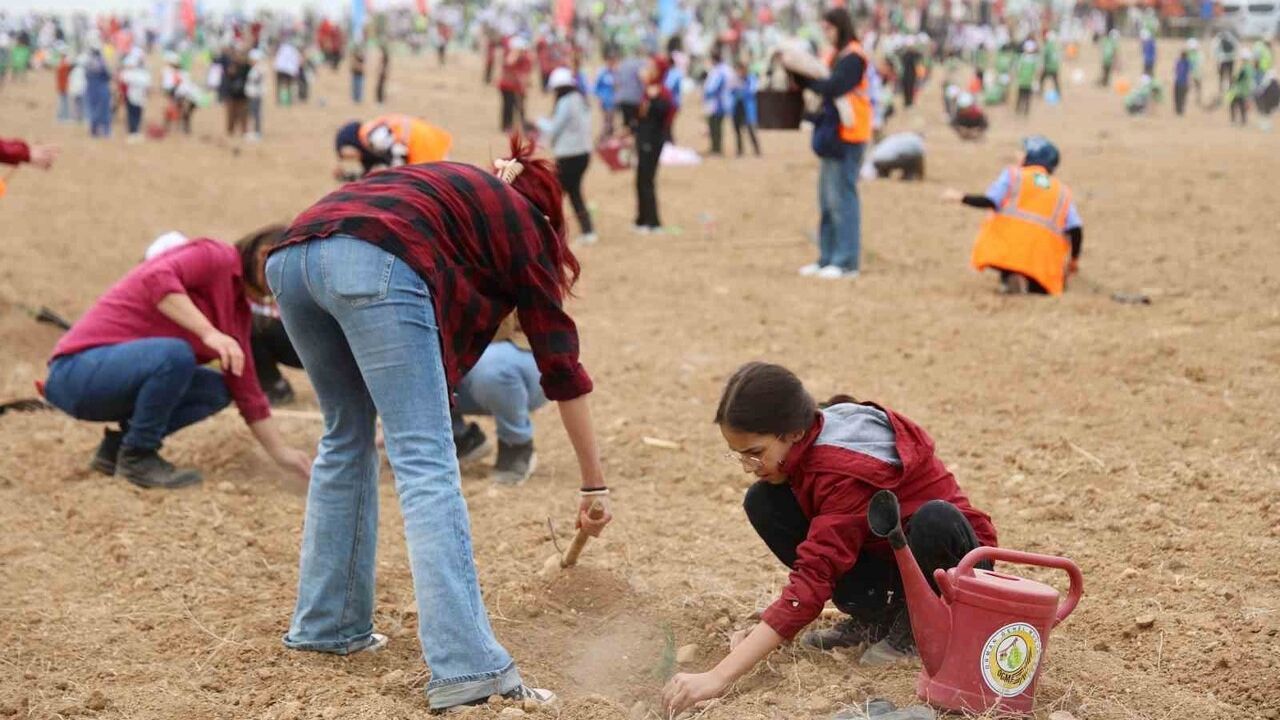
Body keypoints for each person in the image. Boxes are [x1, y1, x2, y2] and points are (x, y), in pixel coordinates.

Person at [267, 137, 611, 712]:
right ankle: (468, 670)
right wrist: (594, 483)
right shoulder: (524, 222)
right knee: (425, 459)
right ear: (547, 211)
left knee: (344, 438)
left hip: (293, 256)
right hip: (372, 257)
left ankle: (328, 625)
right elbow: (560, 364)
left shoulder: (451, 196)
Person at [660, 362, 997, 716]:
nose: (747, 466)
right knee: (764, 501)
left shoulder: (842, 470)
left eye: (755, 453)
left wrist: (719, 675)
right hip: (892, 556)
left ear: (791, 432)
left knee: (933, 519)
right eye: (739, 454)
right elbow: (824, 552)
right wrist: (768, 629)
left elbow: (813, 580)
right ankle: (878, 616)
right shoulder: (808, 437)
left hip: (960, 569)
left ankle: (920, 626)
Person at [42, 231, 312, 489]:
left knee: (218, 388)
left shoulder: (238, 311)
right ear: (265, 256)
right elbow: (155, 277)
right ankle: (139, 456)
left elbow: (248, 392)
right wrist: (209, 333)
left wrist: (281, 453)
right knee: (175, 355)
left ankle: (118, 449)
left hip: (106, 380)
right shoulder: (215, 255)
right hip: (75, 372)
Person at [942, 136, 1084, 295]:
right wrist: (1073, 261)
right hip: (1043, 263)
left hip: (1010, 255)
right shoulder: (1062, 191)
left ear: (1031, 156)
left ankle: (1013, 276)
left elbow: (991, 201)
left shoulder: (1014, 175)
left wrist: (961, 197)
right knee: (1044, 281)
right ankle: (1030, 282)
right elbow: (1076, 229)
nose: (1018, 155)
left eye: (1022, 152)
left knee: (1008, 248)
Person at [793, 7, 871, 280]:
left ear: (841, 27)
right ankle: (827, 257)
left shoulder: (854, 57)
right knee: (827, 201)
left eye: (829, 28)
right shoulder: (834, 55)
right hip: (832, 133)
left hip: (850, 135)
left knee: (843, 200)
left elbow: (834, 86)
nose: (826, 34)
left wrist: (807, 80)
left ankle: (846, 261)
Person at [451, 315, 547, 484]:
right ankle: (457, 438)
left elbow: (502, 325)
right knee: (408, 360)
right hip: (467, 357)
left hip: (525, 355)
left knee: (491, 368)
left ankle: (516, 444)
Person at [538, 67, 596, 245]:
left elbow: (555, 128)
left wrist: (538, 123)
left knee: (553, 195)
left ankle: (550, 234)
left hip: (569, 156)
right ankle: (588, 231)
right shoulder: (580, 99)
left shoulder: (565, 102)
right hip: (583, 153)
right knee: (574, 193)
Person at [333, 114, 453, 180]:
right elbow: (369, 176)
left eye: (346, 154)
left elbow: (398, 152)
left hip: (425, 148)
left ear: (351, 141)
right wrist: (347, 176)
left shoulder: (372, 135)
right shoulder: (370, 135)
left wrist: (397, 178)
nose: (350, 157)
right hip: (430, 144)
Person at [634, 56, 674, 234]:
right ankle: (641, 219)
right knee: (640, 179)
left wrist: (654, 100)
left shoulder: (662, 93)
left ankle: (653, 222)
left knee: (647, 180)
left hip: (652, 141)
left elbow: (664, 116)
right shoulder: (647, 91)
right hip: (643, 140)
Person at [703, 48, 733, 156]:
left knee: (714, 126)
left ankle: (716, 148)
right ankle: (716, 147)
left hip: (717, 102)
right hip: (723, 101)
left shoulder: (719, 70)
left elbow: (713, 87)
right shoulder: (726, 69)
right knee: (717, 126)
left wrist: (707, 95)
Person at [498, 37, 532, 132]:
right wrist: (515, 54)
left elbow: (525, 75)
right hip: (506, 85)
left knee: (520, 107)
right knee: (507, 105)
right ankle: (506, 125)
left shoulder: (526, 59)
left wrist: (523, 87)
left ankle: (522, 126)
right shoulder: (509, 55)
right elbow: (508, 63)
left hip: (518, 86)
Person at [731, 59, 761, 157]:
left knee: (751, 130)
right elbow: (731, 91)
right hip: (737, 108)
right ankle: (740, 151)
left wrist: (741, 91)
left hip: (747, 108)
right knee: (737, 130)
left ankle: (757, 150)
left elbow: (752, 91)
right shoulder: (735, 79)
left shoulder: (751, 79)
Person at [119, 52, 150, 143]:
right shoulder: (134, 73)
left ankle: (135, 131)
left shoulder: (140, 73)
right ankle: (133, 132)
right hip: (133, 96)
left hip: (138, 96)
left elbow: (147, 83)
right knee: (133, 114)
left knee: (136, 114)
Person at [84, 45, 112, 138]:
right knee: (104, 110)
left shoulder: (88, 63)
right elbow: (108, 76)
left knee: (93, 110)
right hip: (101, 89)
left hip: (91, 89)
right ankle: (106, 132)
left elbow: (86, 76)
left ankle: (94, 131)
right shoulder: (101, 63)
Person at [222, 48, 250, 139]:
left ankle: (244, 131)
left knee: (243, 115)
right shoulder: (231, 66)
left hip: (243, 95)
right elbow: (227, 79)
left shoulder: (246, 67)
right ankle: (230, 131)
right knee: (231, 115)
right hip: (232, 95)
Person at [593, 54, 618, 137]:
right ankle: (604, 138)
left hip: (613, 101)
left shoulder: (615, 73)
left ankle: (610, 139)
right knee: (606, 120)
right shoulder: (602, 73)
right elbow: (596, 88)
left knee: (611, 121)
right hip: (604, 101)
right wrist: (599, 98)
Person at [245, 49, 266, 140]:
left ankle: (256, 132)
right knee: (253, 113)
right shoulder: (255, 69)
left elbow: (256, 81)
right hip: (253, 94)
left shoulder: (258, 69)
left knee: (255, 114)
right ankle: (254, 131)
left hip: (256, 94)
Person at [1014, 40, 1037, 116]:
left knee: (1022, 97)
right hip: (1026, 81)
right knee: (1025, 97)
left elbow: (1018, 69)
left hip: (1024, 81)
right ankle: (1024, 111)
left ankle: (1020, 111)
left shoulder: (1022, 58)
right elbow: (1035, 71)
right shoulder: (1033, 59)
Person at [274, 40, 301, 106]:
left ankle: (279, 100)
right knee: (288, 85)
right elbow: (296, 60)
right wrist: (296, 71)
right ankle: (288, 100)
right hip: (289, 69)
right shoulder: (294, 50)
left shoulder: (282, 48)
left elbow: (277, 59)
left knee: (280, 85)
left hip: (280, 68)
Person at [1213, 29, 1238, 95]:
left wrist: (1218, 59)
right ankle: (1229, 89)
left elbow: (1215, 51)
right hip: (1230, 59)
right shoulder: (1231, 38)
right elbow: (1236, 47)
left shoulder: (1220, 40)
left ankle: (1222, 89)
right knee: (1230, 75)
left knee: (1222, 76)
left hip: (1223, 60)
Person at [1040, 31, 1061, 97]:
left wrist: (1042, 66)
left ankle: (1040, 92)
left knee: (1042, 80)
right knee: (1055, 81)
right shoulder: (1056, 46)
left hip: (1048, 67)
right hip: (1055, 67)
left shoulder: (1047, 46)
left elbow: (1044, 56)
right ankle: (1058, 93)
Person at [1174, 51, 1191, 116]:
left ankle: (1179, 110)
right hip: (1182, 82)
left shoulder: (1182, 62)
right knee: (1181, 97)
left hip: (1180, 82)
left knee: (1179, 97)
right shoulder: (1186, 63)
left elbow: (1176, 71)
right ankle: (1179, 110)